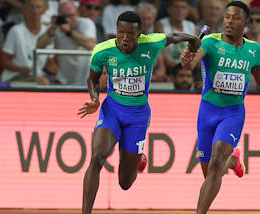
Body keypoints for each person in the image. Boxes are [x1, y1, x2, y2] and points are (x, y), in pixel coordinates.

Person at [180, 2, 260, 213]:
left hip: (233, 113)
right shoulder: (211, 42)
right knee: (211, 172)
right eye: (227, 17)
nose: (229, 21)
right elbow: (191, 63)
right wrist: (187, 59)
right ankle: (232, 161)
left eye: (236, 18)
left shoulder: (254, 50)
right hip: (207, 112)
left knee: (215, 164)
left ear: (246, 23)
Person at [77, 11, 201, 214]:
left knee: (125, 183)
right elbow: (92, 78)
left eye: (130, 34)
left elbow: (178, 36)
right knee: (98, 156)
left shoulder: (152, 43)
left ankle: (138, 159)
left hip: (138, 117)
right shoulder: (102, 50)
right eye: (120, 33)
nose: (125, 39)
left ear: (140, 33)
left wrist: (193, 44)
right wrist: (94, 98)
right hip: (112, 111)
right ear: (115, 32)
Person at [38, 1, 96, 85]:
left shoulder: (86, 23)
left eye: (72, 15)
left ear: (77, 13)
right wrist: (52, 28)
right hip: (64, 80)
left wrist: (69, 32)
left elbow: (90, 44)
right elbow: (39, 45)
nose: (70, 19)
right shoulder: (57, 27)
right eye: (66, 16)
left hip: (85, 79)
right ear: (59, 15)